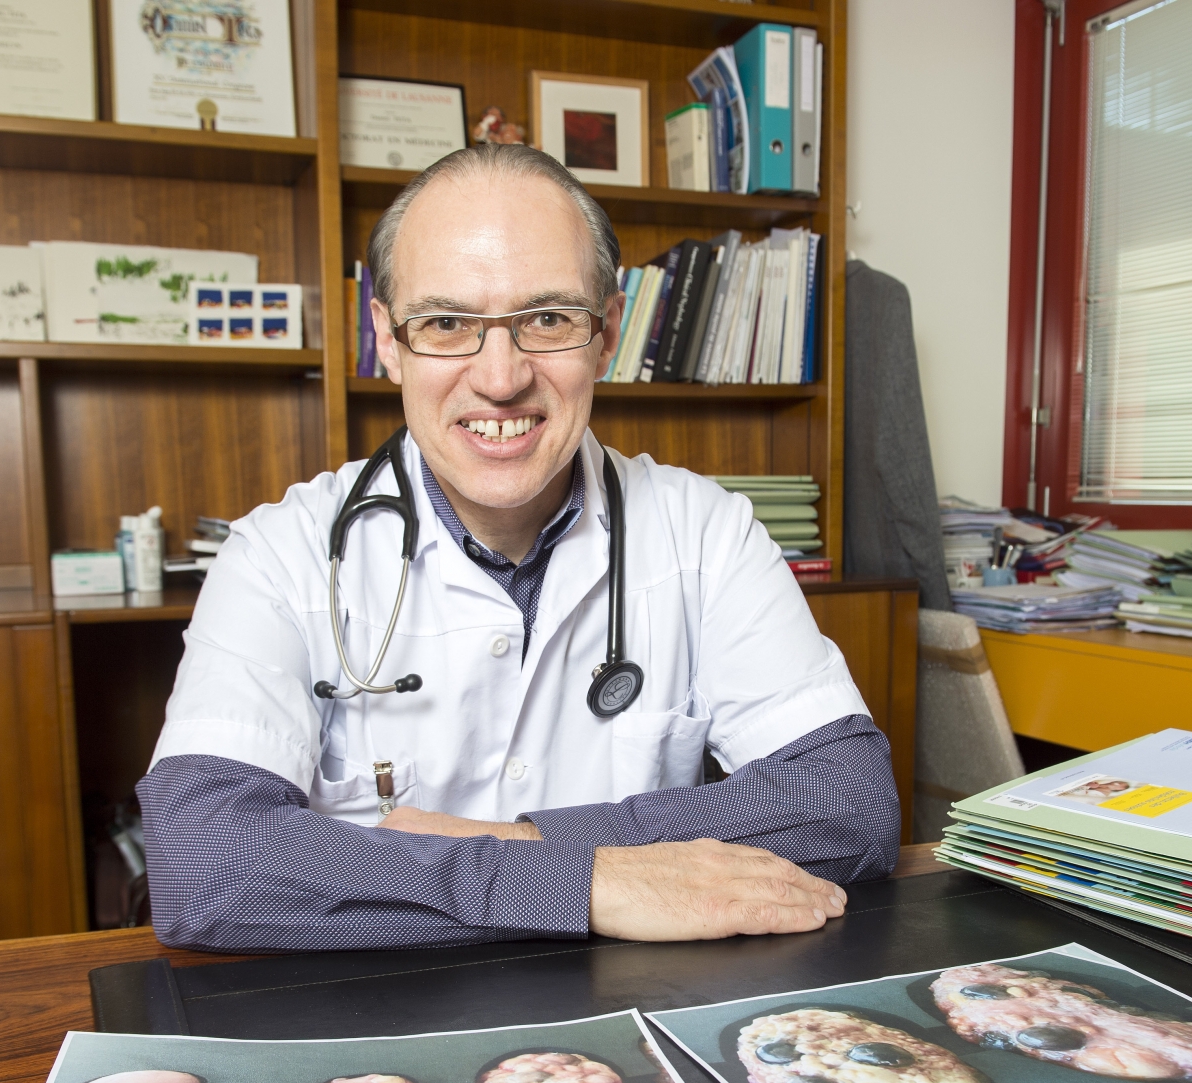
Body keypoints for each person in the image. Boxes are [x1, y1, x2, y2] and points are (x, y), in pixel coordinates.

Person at [138, 144, 900, 951]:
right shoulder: (278, 555)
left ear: (606, 334)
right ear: (388, 340)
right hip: (386, 1018)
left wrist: (518, 845)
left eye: (546, 319)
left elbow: (847, 800)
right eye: (445, 323)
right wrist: (590, 879)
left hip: (633, 1012)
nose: (499, 378)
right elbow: (205, 862)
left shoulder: (706, 532)